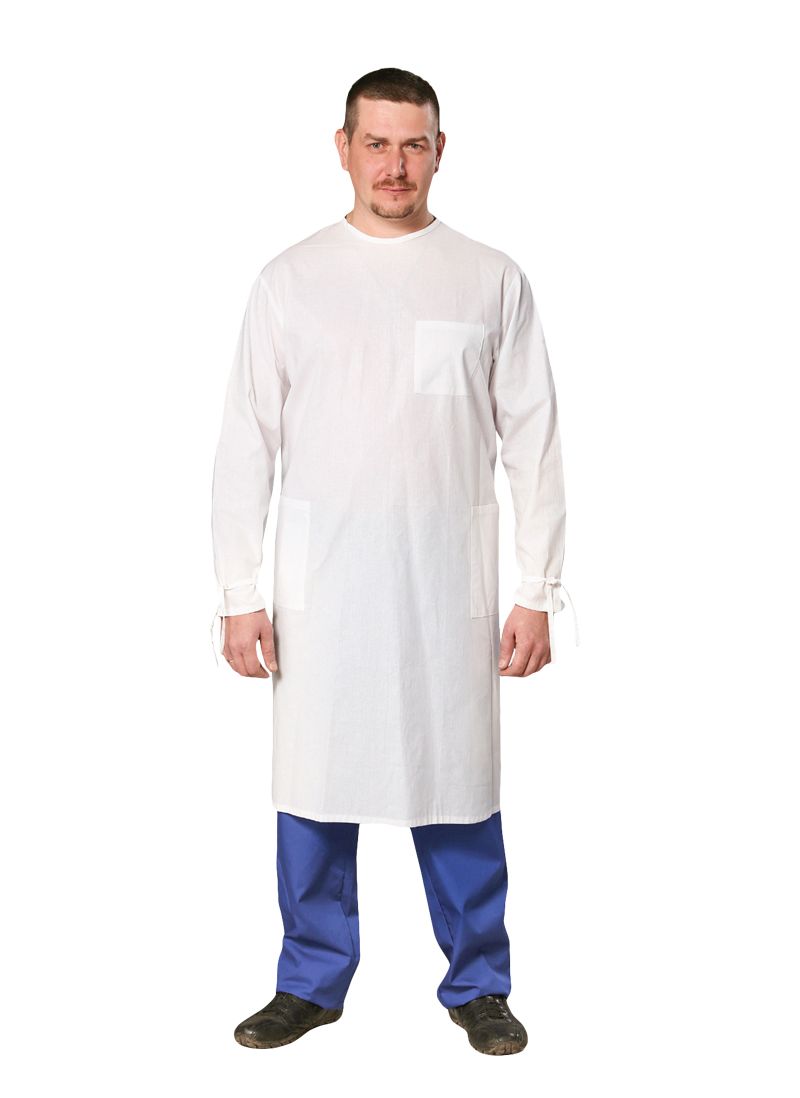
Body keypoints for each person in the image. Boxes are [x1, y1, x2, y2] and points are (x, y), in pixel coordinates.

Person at [210, 67, 579, 1056]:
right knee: (315, 784)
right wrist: (238, 591)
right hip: (322, 586)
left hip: (443, 581)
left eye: (413, 144)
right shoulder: (291, 280)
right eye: (375, 143)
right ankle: (309, 980)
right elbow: (246, 442)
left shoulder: (487, 278)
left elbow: (533, 440)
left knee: (452, 780)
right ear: (343, 148)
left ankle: (479, 984)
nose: (394, 165)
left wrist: (537, 589)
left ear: (439, 152)